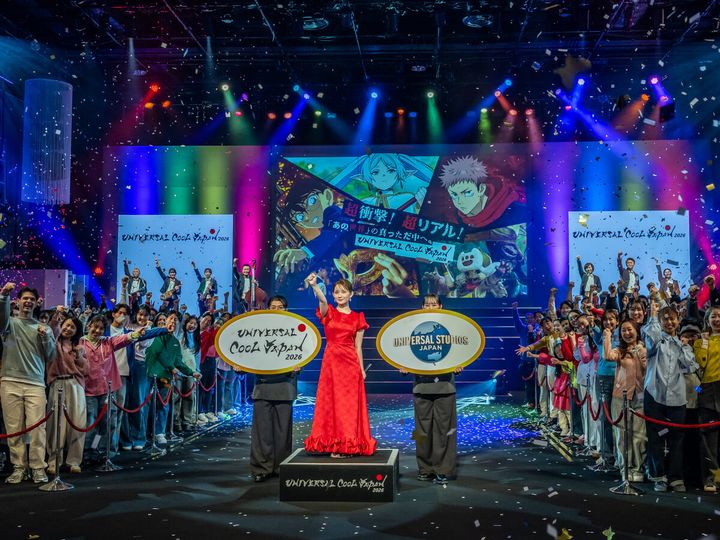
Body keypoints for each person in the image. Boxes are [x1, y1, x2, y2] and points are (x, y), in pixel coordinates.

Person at [304, 273, 376, 457]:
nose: (340, 295)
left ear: (351, 294)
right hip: (331, 363)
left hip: (350, 365)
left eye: (343, 292)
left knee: (347, 407)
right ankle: (333, 442)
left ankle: (347, 444)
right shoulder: (329, 312)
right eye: (336, 292)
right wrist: (315, 285)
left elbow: (358, 347)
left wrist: (361, 369)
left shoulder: (358, 318)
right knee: (331, 404)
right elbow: (322, 300)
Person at [0, 283, 56, 484]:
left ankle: (38, 467)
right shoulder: (10, 324)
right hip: (10, 381)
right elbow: (1, 319)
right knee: (14, 428)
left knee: (37, 429)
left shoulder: (44, 328)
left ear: (37, 303)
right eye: (25, 298)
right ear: (17, 301)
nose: (28, 302)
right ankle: (19, 468)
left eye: (32, 299)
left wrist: (46, 338)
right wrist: (3, 296)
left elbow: (51, 356)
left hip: (35, 383)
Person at [642, 302, 698, 492]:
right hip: (654, 394)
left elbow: (689, 367)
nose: (669, 322)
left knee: (677, 439)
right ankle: (658, 476)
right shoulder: (655, 341)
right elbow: (651, 338)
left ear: (678, 320)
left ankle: (676, 477)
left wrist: (684, 347)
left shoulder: (682, 344)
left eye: (672, 319)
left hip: (677, 397)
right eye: (664, 319)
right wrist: (653, 314)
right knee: (656, 437)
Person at [409, 294, 462, 485]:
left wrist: (459, 363)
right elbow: (405, 353)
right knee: (422, 431)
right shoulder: (412, 328)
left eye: (434, 304)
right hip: (421, 386)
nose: (430, 307)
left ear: (441, 306)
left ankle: (443, 470)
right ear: (422, 307)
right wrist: (403, 365)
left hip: (445, 387)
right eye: (427, 304)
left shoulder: (451, 328)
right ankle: (425, 468)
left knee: (444, 431)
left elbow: (461, 350)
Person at [250, 295, 301, 482]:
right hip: (263, 386)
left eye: (280, 307)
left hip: (285, 386)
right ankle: (261, 469)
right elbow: (248, 354)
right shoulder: (258, 330)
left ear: (286, 309)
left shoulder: (295, 330)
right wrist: (240, 366)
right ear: (267, 308)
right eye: (273, 307)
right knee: (261, 432)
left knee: (283, 431)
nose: (277, 310)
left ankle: (281, 467)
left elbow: (303, 352)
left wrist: (299, 366)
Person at [144, 312, 201, 446]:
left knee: (163, 405)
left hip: (166, 378)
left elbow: (178, 361)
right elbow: (159, 353)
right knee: (148, 405)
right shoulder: (157, 336)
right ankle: (146, 432)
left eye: (175, 320)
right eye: (170, 319)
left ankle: (160, 432)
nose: (173, 322)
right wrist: (171, 367)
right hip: (152, 376)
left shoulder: (175, 342)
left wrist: (191, 372)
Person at [603, 320, 647, 483]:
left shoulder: (644, 349)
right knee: (622, 435)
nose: (627, 333)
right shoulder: (620, 351)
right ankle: (625, 467)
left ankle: (637, 468)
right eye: (623, 331)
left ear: (637, 331)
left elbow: (647, 369)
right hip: (620, 398)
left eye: (629, 330)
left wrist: (640, 354)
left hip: (640, 397)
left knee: (639, 436)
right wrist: (607, 336)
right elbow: (608, 356)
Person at [46, 313, 88, 474]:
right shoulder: (53, 341)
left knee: (77, 423)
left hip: (75, 385)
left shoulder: (79, 346)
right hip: (57, 383)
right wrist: (55, 319)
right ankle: (54, 460)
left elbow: (86, 370)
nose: (68, 329)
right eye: (67, 325)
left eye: (73, 327)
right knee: (56, 424)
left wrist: (79, 356)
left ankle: (74, 461)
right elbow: (52, 330)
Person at [694, 306, 720, 492]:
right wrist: (704, 342)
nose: (717, 319)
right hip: (708, 390)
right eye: (713, 316)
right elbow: (700, 363)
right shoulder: (700, 341)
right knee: (709, 439)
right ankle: (710, 478)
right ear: (707, 320)